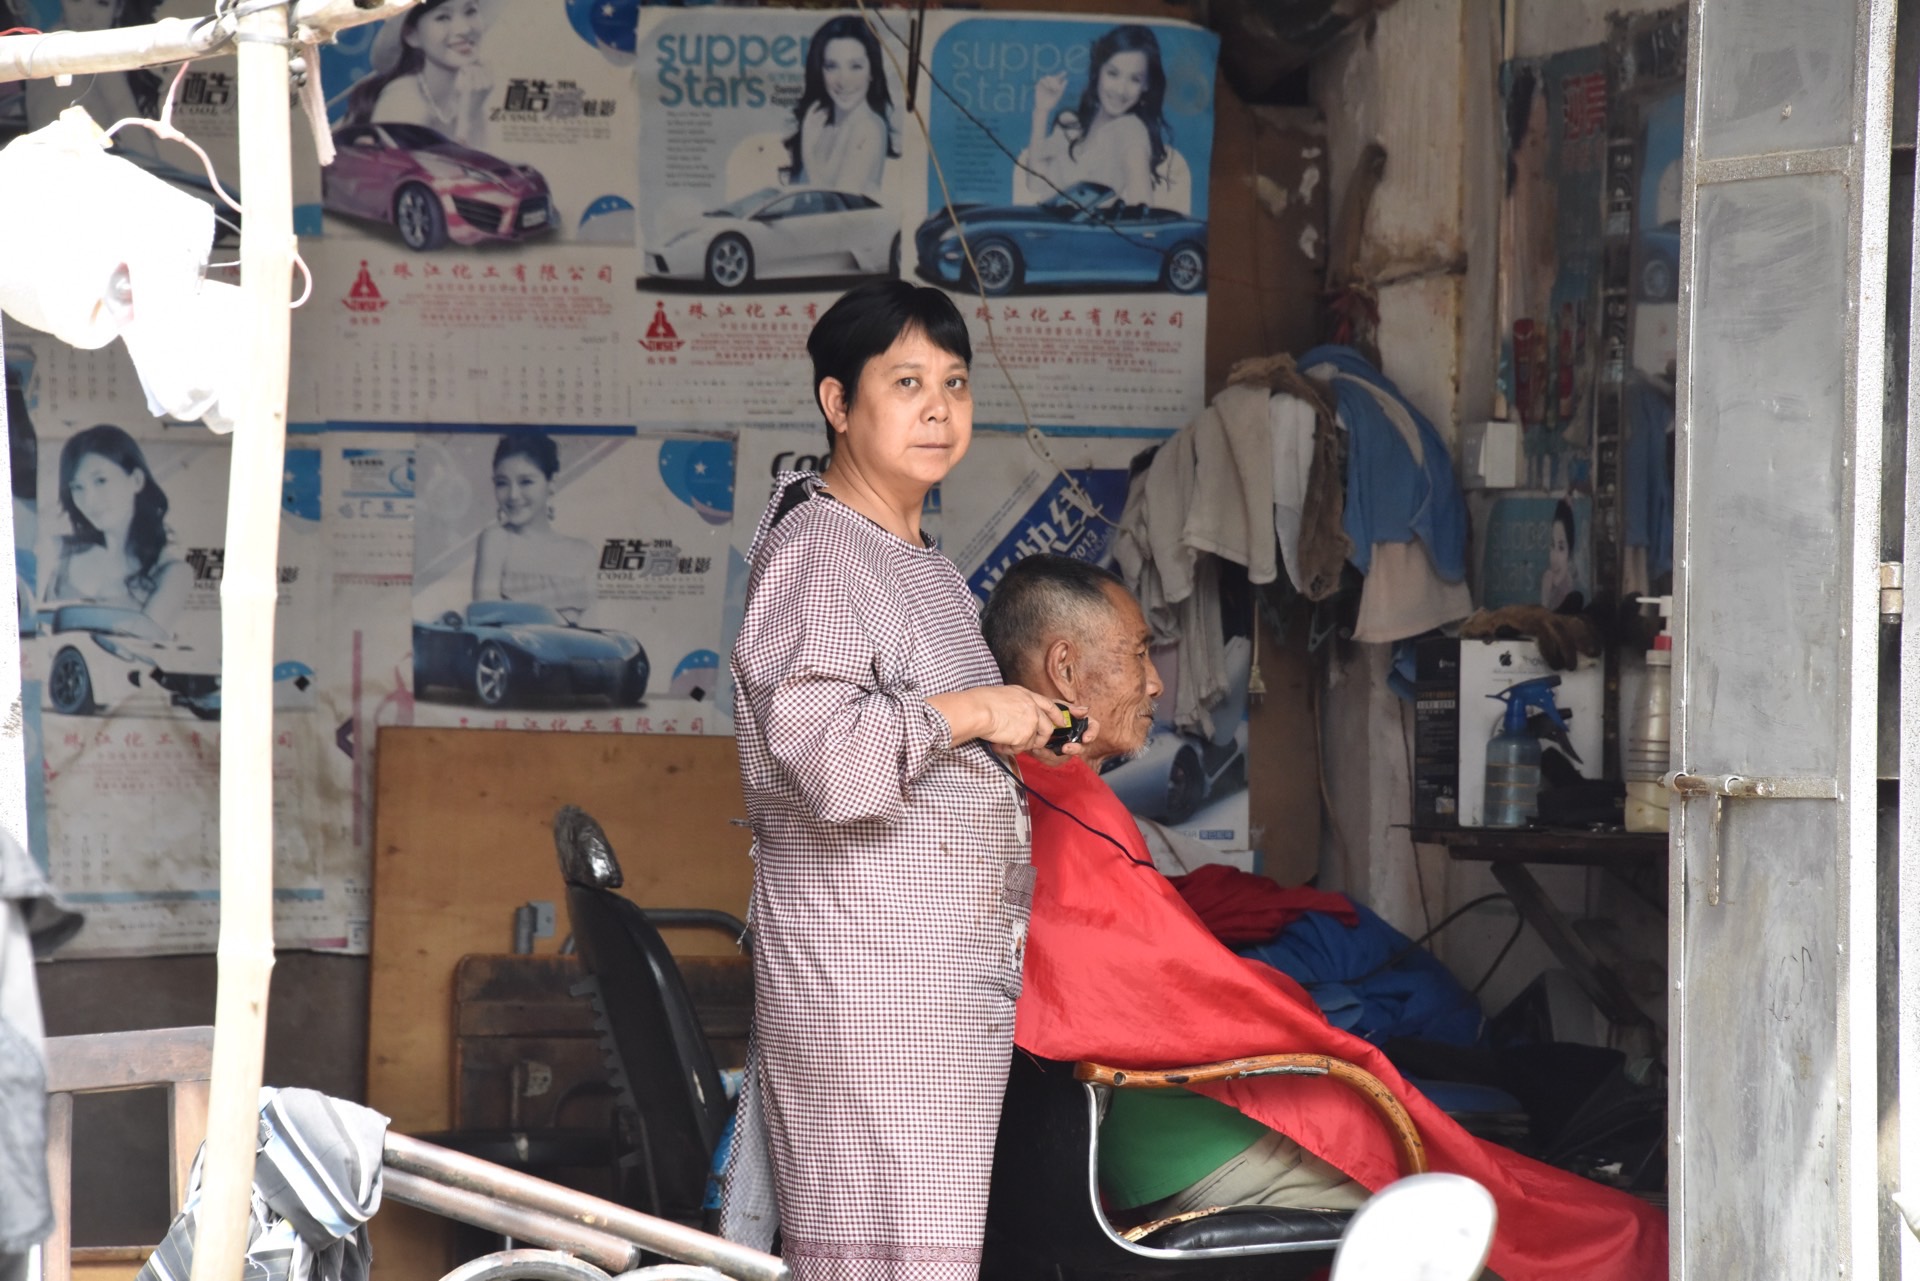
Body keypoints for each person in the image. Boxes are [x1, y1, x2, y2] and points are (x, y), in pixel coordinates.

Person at [980, 554, 1669, 1281]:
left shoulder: (1031, 798)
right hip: (1195, 1153)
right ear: (1064, 668)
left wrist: (1276, 1006)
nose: (1154, 681)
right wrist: (1301, 1024)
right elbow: (1171, 1002)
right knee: (1511, 1236)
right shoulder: (1062, 815)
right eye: (1139, 653)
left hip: (1137, 1148)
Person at [721, 280, 1095, 1280]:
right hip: (869, 989)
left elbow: (924, 735)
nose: (939, 409)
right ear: (838, 403)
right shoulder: (821, 551)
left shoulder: (915, 558)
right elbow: (834, 763)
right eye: (907, 383)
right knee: (886, 1260)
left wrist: (1022, 728)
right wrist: (979, 712)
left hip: (925, 991)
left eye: (955, 384)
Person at [48, 425, 186, 640]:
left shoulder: (172, 573)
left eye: (101, 481)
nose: (89, 500)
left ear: (136, 480)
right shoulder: (59, 554)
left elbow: (137, 649)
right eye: (77, 487)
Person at [1022, 25, 1175, 210]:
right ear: (1099, 71)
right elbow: (1035, 183)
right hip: (1046, 224)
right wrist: (1041, 111)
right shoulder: (1070, 122)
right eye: (1113, 73)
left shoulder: (1130, 131)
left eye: (1134, 79)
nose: (1121, 90)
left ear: (1146, 85)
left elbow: (1142, 210)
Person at [472, 431, 595, 624]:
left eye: (526, 482)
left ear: (551, 483)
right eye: (502, 483)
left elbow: (595, 632)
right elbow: (485, 621)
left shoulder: (584, 552)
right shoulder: (496, 540)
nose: (513, 495)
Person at [343, 0, 495, 151]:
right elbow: (393, 165)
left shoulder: (469, 95)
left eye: (470, 11)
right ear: (411, 35)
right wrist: (468, 122)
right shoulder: (404, 99)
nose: (465, 29)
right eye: (443, 17)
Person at [785, 14, 895, 197]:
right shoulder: (818, 124)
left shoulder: (868, 128)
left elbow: (838, 209)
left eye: (855, 67)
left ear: (872, 72)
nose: (843, 81)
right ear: (820, 71)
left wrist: (808, 154)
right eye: (832, 66)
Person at [1538, 498, 1582, 610]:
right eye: (1552, 545)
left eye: (1561, 548)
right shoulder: (1548, 581)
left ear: (1570, 553)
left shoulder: (1571, 591)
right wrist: (1545, 597)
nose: (1554, 558)